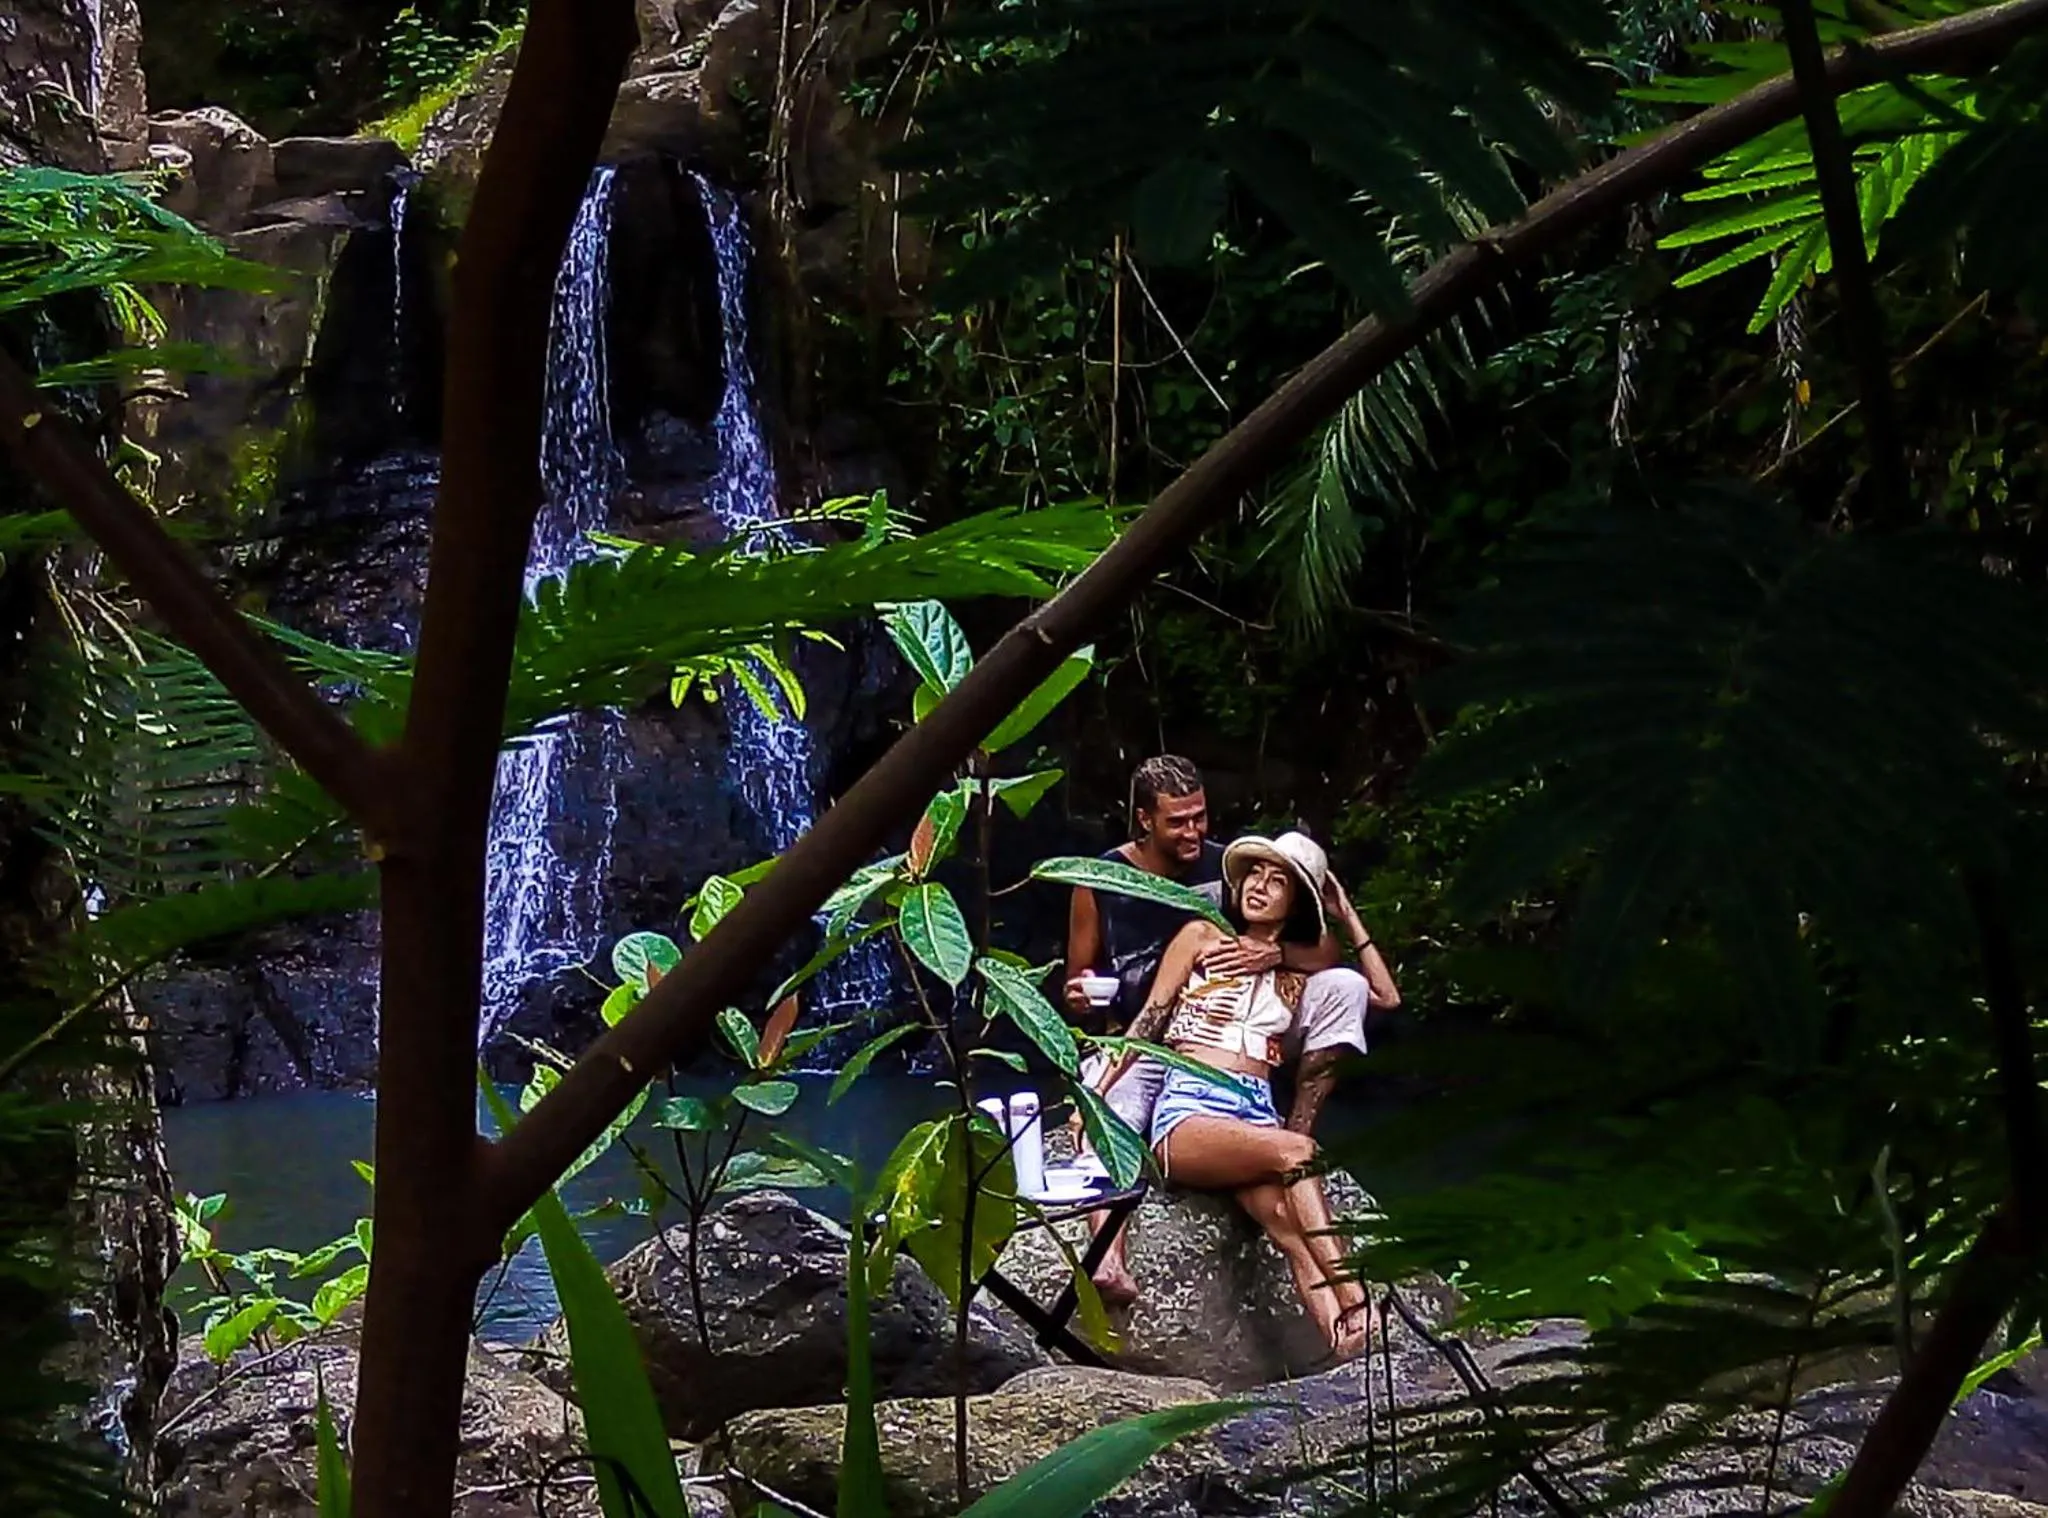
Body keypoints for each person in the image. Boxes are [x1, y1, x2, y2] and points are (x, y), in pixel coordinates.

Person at [1061, 756, 1377, 1303]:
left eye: (1200, 817)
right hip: (1151, 1036)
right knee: (1109, 1115)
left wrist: (1275, 951)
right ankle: (1108, 1263)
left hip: (1233, 1029)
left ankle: (1294, 1132)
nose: (1194, 831)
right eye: (1177, 822)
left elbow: (1323, 949)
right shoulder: (1098, 881)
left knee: (1344, 987)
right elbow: (1079, 981)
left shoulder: (1231, 870)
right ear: (1143, 820)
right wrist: (1078, 999)